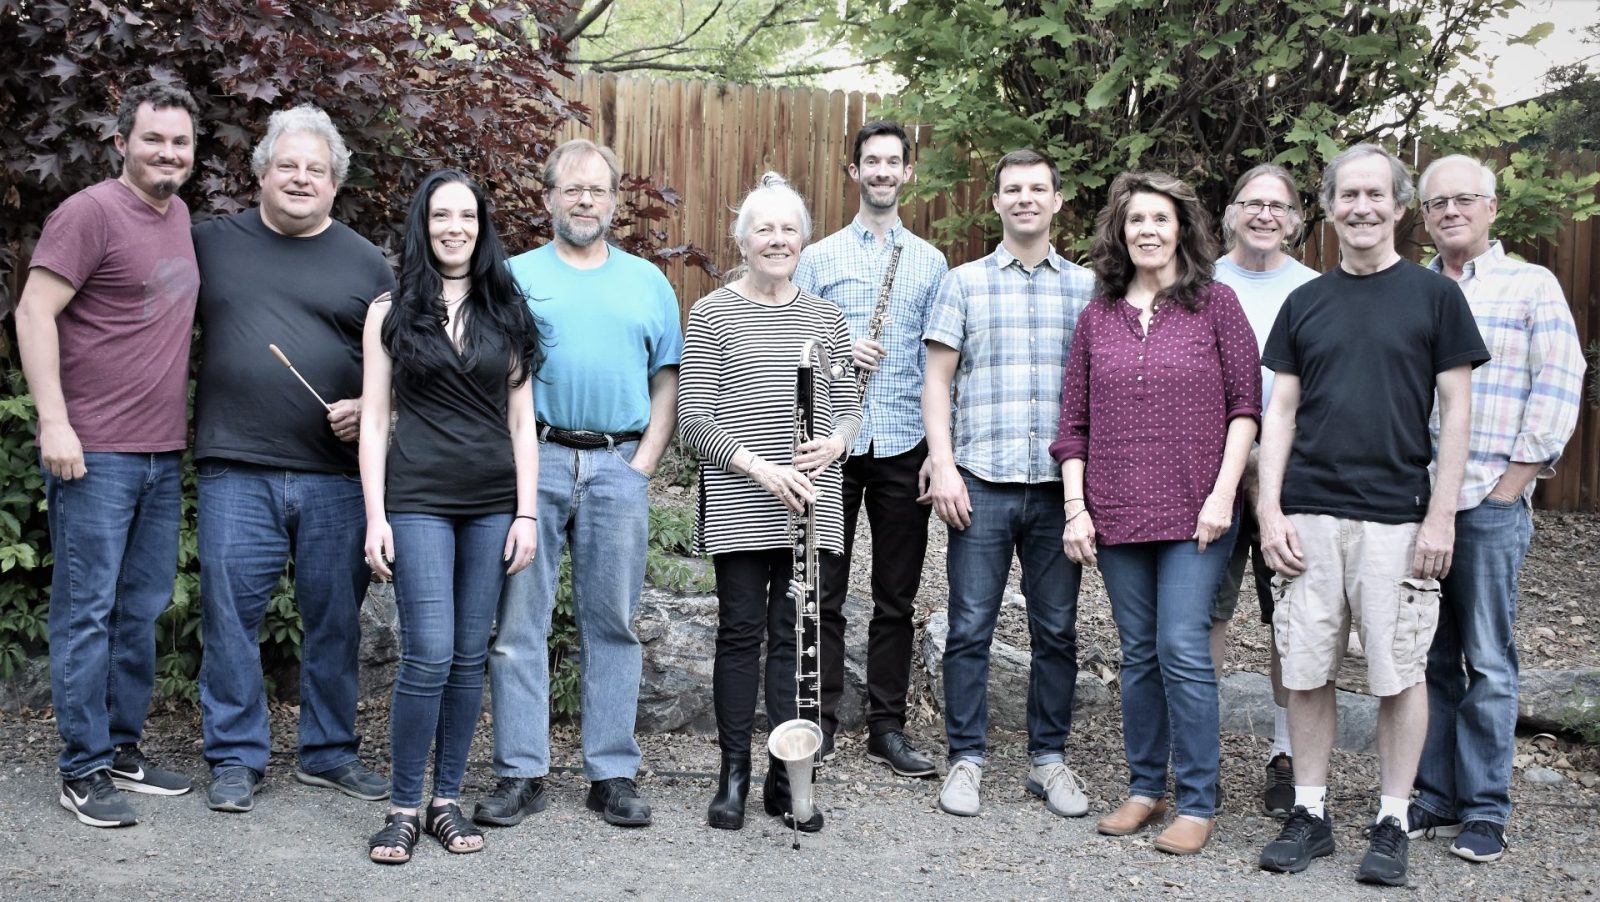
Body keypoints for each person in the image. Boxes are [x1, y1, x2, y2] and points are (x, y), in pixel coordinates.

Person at [1255, 144, 1488, 887]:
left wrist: (1442, 515)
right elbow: (1279, 411)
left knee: (1399, 675)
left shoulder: (1435, 298)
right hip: (1309, 516)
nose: (1360, 207)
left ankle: (1392, 819)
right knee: (1307, 666)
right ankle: (1312, 811)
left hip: (1398, 517)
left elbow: (1456, 413)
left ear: (1397, 206)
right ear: (1327, 210)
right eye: (1346, 195)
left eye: (1374, 194)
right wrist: (1268, 508)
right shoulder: (1306, 302)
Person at [191, 104, 394, 813]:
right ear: (261, 173)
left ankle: (328, 752)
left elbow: (406, 369)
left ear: (335, 183)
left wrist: (373, 409)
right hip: (234, 468)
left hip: (335, 477)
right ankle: (235, 758)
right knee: (229, 619)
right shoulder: (207, 245)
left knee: (335, 619)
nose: (301, 178)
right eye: (289, 165)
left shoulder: (369, 262)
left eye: (317, 169)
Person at [1054, 171, 1260, 855]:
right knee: (1138, 654)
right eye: (1135, 219)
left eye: (1160, 219)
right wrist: (1076, 508)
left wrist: (1225, 492)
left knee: (1181, 649)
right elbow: (1073, 424)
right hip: (1114, 513)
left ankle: (1199, 800)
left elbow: (1244, 408)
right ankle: (1146, 789)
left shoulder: (1217, 306)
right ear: (1121, 232)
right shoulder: (1097, 318)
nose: (1147, 229)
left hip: (1196, 512)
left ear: (1183, 231)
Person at [481, 139, 681, 830]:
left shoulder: (648, 282)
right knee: (518, 624)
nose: (585, 200)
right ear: (548, 199)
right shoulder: (510, 277)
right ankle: (521, 770)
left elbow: (666, 379)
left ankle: (612, 772)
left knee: (613, 624)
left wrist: (642, 465)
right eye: (572, 190)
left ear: (614, 202)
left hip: (616, 464)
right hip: (533, 463)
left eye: (597, 190)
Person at [16, 82, 201, 828]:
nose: (168, 153)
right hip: (94, 454)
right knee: (86, 612)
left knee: (139, 611)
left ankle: (120, 748)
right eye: (154, 139)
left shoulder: (179, 213)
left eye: (180, 142)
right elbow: (33, 311)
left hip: (159, 453)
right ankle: (81, 768)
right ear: (121, 142)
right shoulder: (89, 213)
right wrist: (53, 422)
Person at [360, 170, 542, 864]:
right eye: (442, 215)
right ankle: (403, 805)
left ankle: (445, 799)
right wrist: (375, 516)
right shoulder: (390, 311)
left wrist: (526, 512)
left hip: (493, 503)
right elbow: (375, 421)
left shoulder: (508, 309)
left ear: (481, 225)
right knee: (429, 652)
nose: (454, 227)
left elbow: (522, 421)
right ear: (424, 223)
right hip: (419, 500)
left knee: (470, 657)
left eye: (466, 215)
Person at [1409, 154, 1586, 863]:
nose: (1450, 212)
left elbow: (1561, 380)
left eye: (1464, 200)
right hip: (1417, 504)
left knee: (1488, 659)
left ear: (1491, 208)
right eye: (1436, 203)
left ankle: (1485, 808)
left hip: (1488, 502)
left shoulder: (1530, 285)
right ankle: (1435, 795)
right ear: (1422, 215)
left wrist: (1515, 481)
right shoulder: (1414, 287)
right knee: (1428, 656)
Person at [678, 171, 861, 832]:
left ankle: (789, 778)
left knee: (796, 640)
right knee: (740, 635)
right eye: (765, 228)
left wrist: (835, 446)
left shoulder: (828, 318)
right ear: (743, 240)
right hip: (742, 500)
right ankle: (733, 775)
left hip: (812, 505)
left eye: (789, 229)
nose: (777, 239)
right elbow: (693, 422)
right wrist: (764, 469)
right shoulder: (712, 314)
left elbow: (848, 411)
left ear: (803, 240)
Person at [921, 150, 1094, 819]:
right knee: (969, 625)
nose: (1025, 198)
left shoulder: (1085, 289)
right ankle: (966, 758)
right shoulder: (962, 283)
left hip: (1058, 490)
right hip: (981, 482)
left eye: (1037, 188)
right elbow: (938, 380)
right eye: (1012, 188)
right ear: (995, 202)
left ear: (1056, 201)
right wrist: (942, 464)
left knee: (1057, 630)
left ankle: (1048, 760)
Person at [792, 120, 947, 776]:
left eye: (894, 162)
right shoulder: (818, 257)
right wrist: (836, 349)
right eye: (871, 162)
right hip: (833, 442)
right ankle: (821, 720)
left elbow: (941, 361)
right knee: (823, 588)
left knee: (896, 596)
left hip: (905, 442)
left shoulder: (933, 262)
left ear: (908, 172)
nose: (882, 172)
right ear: (852, 171)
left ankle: (887, 726)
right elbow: (786, 343)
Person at [1207, 164, 1320, 817]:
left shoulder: (1314, 290)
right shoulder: (1201, 283)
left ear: (1297, 218)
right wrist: (1235, 462)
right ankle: (1204, 752)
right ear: (1232, 213)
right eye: (1252, 203)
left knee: (1289, 621)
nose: (1264, 215)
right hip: (1213, 479)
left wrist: (1267, 464)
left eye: (1278, 206)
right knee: (1209, 616)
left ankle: (1284, 755)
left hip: (1293, 478)